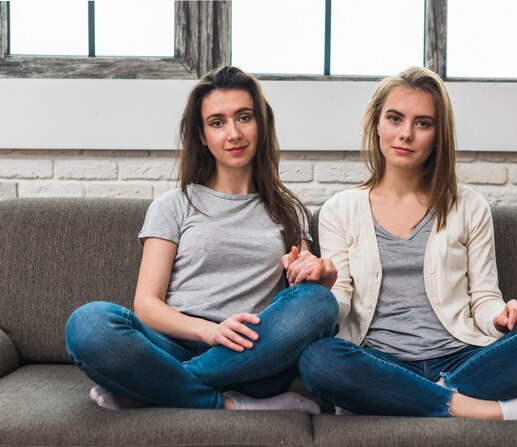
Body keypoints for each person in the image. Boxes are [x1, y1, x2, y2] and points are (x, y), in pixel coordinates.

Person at [290, 66, 517, 419]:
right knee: (317, 359)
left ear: (438, 134)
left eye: (422, 123)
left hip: (463, 355)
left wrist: (504, 317)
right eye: (395, 118)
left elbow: (484, 299)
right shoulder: (340, 210)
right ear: (377, 124)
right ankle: (492, 410)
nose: (406, 134)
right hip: (378, 358)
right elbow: (340, 302)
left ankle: (398, 399)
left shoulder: (469, 205)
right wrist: (320, 290)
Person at [65, 66, 338, 412]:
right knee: (89, 324)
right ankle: (226, 404)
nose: (234, 133)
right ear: (201, 135)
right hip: (171, 344)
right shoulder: (173, 205)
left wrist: (315, 275)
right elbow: (147, 305)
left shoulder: (289, 212)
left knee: (320, 302)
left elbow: (301, 296)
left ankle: (152, 387)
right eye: (217, 122)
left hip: (251, 356)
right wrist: (209, 332)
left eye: (244, 117)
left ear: (261, 125)